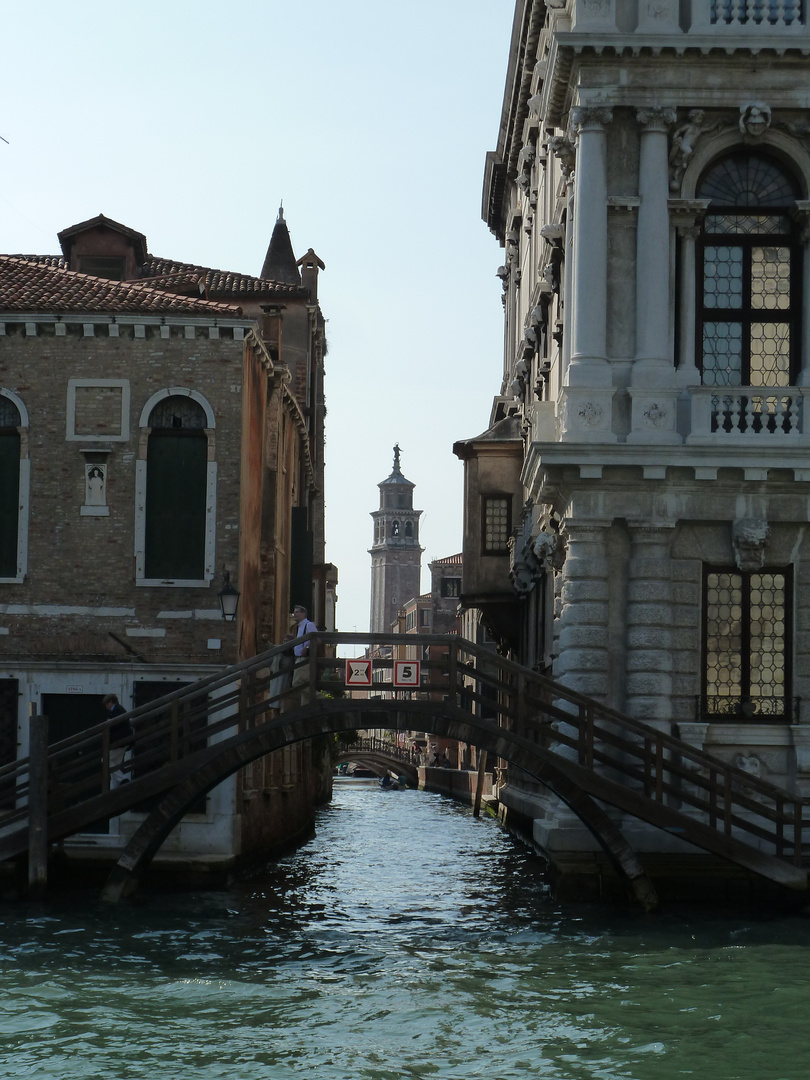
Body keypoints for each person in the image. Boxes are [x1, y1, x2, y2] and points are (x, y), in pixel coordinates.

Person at [291, 604, 318, 703]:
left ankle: (319, 697)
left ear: (303, 614)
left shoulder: (308, 625)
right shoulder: (299, 627)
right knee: (304, 684)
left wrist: (306, 647)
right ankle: (306, 709)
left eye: (297, 612)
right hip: (299, 658)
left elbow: (317, 638)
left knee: (297, 683)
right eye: (294, 612)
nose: (294, 614)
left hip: (304, 658)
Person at [103, 693, 131, 787]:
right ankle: (116, 787)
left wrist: (109, 722)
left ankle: (123, 779)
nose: (106, 706)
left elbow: (117, 723)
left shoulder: (117, 709)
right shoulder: (119, 709)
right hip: (124, 740)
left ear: (111, 702)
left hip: (120, 741)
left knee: (105, 760)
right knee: (115, 766)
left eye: (107, 704)